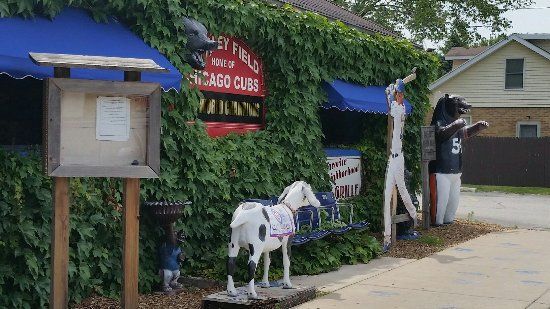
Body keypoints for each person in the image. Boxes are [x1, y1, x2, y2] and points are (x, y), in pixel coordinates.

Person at [383, 79, 418, 252]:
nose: (399, 96)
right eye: (398, 94)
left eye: (400, 94)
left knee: (402, 190)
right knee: (387, 196)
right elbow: (389, 104)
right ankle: (387, 238)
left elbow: (390, 106)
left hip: (398, 159)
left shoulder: (400, 109)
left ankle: (413, 214)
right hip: (393, 158)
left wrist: (389, 92)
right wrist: (391, 91)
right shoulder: (399, 107)